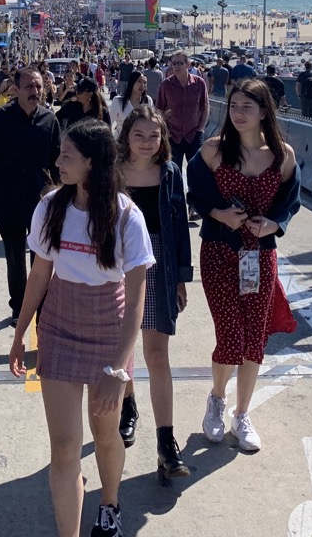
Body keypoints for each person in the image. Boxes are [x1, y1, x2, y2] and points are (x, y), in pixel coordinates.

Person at [7, 120, 155, 537]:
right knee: (65, 446)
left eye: (67, 156)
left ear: (92, 162)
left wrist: (118, 369)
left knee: (105, 433)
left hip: (109, 326)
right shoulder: (51, 206)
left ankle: (109, 503)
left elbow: (137, 295)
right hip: (58, 325)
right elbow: (39, 276)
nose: (57, 162)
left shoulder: (127, 216)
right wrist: (20, 334)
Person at [187, 78, 300, 453]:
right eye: (233, 106)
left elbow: (289, 201)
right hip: (220, 251)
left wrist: (275, 223)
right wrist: (218, 213)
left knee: (255, 338)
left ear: (264, 111)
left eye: (246, 107)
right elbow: (196, 195)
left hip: (259, 256)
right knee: (230, 336)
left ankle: (242, 413)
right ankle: (217, 400)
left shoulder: (282, 156)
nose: (237, 113)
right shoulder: (212, 151)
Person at [115, 106, 191, 480]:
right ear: (126, 136)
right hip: (117, 263)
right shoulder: (110, 173)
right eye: (139, 135)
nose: (147, 142)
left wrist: (181, 277)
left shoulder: (170, 174)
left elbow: (180, 229)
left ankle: (166, 442)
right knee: (122, 348)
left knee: (157, 353)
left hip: (159, 260)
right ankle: (127, 403)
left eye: (154, 136)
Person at [0, 66, 61, 325]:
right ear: (16, 89)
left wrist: (62, 197)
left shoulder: (49, 120)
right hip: (7, 199)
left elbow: (58, 163)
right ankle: (19, 306)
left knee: (42, 259)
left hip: (41, 203)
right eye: (29, 87)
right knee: (14, 258)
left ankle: (42, 308)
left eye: (38, 87)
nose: (35, 92)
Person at [157, 50, 210, 165]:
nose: (176, 66)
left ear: (188, 64)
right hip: (173, 135)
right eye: (174, 63)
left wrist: (200, 129)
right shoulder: (166, 84)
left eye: (180, 63)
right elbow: (160, 110)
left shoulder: (199, 83)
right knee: (174, 173)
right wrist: (166, 131)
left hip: (194, 134)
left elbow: (205, 107)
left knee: (196, 172)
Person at [109, 69, 153, 137]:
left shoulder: (147, 100)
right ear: (132, 82)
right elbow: (108, 123)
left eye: (145, 83)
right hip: (121, 141)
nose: (142, 85)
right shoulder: (118, 101)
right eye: (139, 81)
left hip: (140, 141)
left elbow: (151, 122)